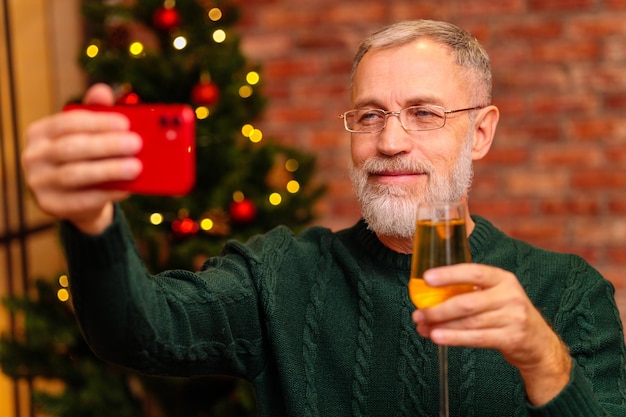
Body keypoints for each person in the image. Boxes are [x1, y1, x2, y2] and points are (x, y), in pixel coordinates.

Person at [21, 19, 626, 417]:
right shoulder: (281, 274)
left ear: (482, 132)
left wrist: (541, 356)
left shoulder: (568, 293)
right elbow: (138, 330)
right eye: (368, 116)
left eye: (423, 113)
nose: (390, 140)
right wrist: (90, 220)